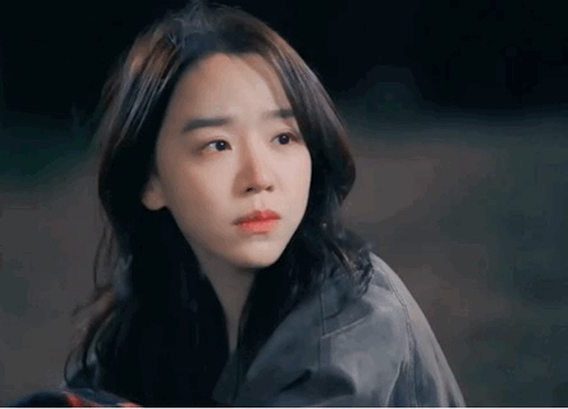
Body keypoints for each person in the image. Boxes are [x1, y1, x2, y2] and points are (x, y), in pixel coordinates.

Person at [51, 2, 465, 406]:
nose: (259, 177)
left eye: (283, 138)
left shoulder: (353, 322)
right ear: (150, 180)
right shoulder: (154, 321)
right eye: (217, 145)